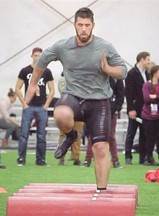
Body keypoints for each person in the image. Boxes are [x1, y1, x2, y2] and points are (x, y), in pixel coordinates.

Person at [25, 7, 127, 190]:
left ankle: (101, 191)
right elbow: (42, 62)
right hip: (73, 96)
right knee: (60, 113)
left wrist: (108, 70)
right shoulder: (62, 46)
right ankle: (71, 135)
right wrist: (33, 84)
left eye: (87, 25)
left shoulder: (104, 46)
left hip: (99, 101)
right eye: (80, 25)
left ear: (93, 25)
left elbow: (123, 71)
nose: (84, 29)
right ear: (75, 25)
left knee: (100, 149)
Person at [15, 47, 55, 166]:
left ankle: (41, 160)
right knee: (24, 134)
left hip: (41, 107)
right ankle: (21, 158)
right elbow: (17, 88)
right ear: (32, 56)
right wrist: (23, 103)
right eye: (35, 55)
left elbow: (52, 89)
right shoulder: (25, 71)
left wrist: (47, 104)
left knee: (41, 135)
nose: (37, 57)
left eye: (40, 56)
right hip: (29, 106)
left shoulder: (46, 72)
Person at [83, 77, 125, 168]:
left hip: (111, 110)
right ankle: (87, 159)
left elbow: (121, 94)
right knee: (93, 135)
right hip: (97, 109)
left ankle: (115, 160)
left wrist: (118, 108)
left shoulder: (116, 78)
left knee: (110, 136)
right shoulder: (99, 76)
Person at [124, 52, 150, 165]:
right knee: (131, 132)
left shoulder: (147, 74)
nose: (149, 62)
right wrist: (131, 109)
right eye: (147, 59)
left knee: (144, 133)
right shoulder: (131, 73)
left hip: (145, 108)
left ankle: (142, 157)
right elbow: (128, 93)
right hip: (135, 107)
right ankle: (128, 156)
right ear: (142, 60)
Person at [141, 65, 159, 166]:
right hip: (148, 116)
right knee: (149, 137)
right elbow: (147, 98)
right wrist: (158, 96)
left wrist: (155, 97)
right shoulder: (146, 85)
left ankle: (152, 157)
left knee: (157, 137)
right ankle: (148, 157)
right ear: (154, 73)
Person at [57, 73, 84, 166]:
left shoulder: (81, 80)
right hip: (66, 108)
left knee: (78, 134)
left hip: (78, 109)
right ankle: (61, 157)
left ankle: (76, 157)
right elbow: (63, 92)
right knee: (63, 134)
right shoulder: (63, 79)